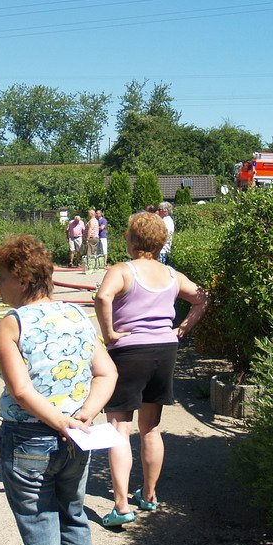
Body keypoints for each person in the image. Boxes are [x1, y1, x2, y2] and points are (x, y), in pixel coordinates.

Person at [0, 235, 117, 545]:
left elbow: (22, 391)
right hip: (77, 438)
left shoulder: (12, 323)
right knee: (72, 507)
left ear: (24, 278)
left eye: (2, 277)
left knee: (38, 522)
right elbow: (107, 373)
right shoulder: (78, 315)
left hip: (29, 439)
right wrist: (81, 417)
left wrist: (60, 422)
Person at [94, 212, 208, 526]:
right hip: (164, 350)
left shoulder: (122, 270)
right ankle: (149, 494)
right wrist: (181, 330)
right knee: (151, 428)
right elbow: (202, 299)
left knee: (119, 428)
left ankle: (121, 505)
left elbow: (103, 297)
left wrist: (110, 334)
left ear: (132, 241)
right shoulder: (172, 274)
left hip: (129, 351)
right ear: (160, 242)